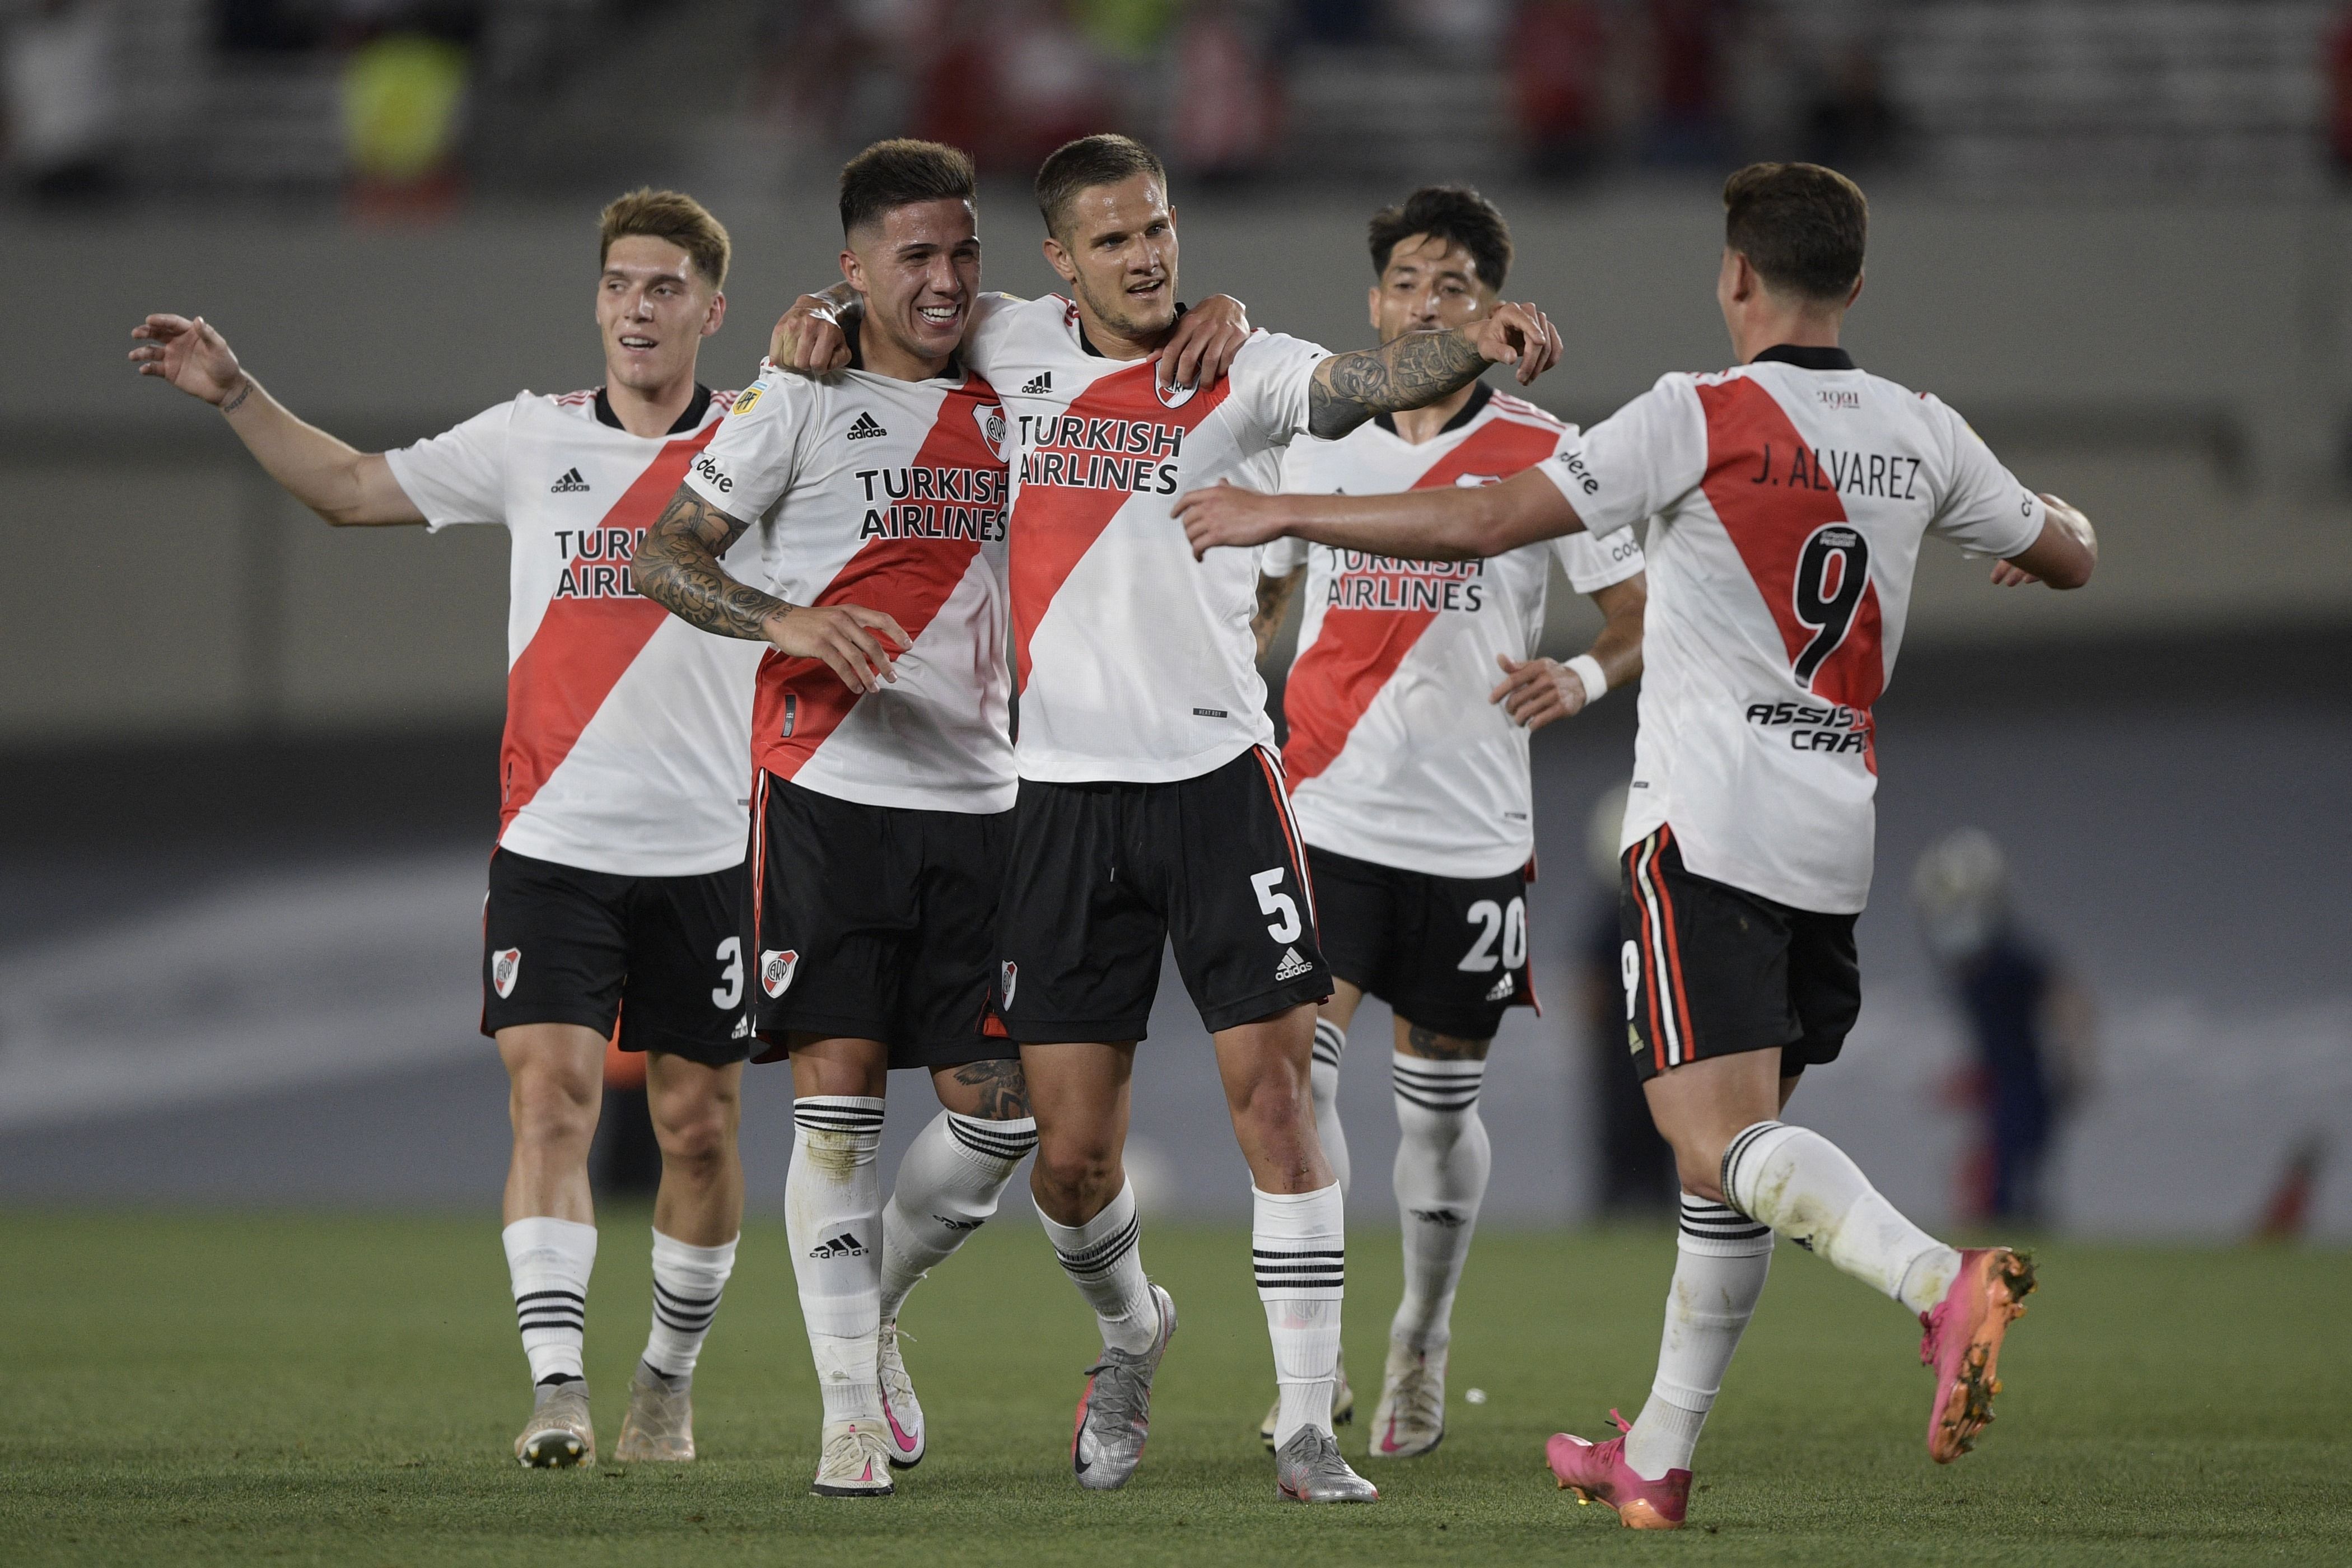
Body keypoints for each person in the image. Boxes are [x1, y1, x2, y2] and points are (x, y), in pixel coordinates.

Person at [1175, 161, 2098, 1528]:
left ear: (1734, 278)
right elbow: (2071, 548)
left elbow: (1496, 518)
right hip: (1834, 831)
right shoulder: (1922, 432)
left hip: (1703, 829)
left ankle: (1935, 1282)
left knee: (1719, 1144)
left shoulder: (1695, 415)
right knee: (1726, 1160)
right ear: (1855, 284)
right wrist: (2036, 543)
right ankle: (1657, 1459)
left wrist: (1285, 510)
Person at [767, 132, 1564, 1502]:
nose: (1149, 257)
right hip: (1061, 803)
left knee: (1279, 1103)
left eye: (1162, 230)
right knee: (1067, 1162)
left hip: (1219, 784)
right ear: (1060, 260)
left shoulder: (1235, 366)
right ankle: (1131, 1344)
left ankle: (1307, 1426)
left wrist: (1470, 341)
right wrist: (823, 317)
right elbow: (906, 303)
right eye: (1117, 238)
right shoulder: (1006, 343)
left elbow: (1366, 380)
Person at [128, 190, 762, 1469]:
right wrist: (238, 392)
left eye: (663, 288)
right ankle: (559, 1388)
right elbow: (355, 491)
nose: (637, 309)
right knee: (553, 1104)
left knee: (699, 1130)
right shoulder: (533, 442)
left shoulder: (764, 445)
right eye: (618, 285)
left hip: (706, 852)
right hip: (552, 845)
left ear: (711, 309)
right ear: (595, 301)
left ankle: (667, 1381)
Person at [628, 139, 1050, 1498]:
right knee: (837, 1124)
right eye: (913, 256)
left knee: (1003, 1117)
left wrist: (1211, 314)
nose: (943, 280)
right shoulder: (792, 402)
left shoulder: (1018, 392)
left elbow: (1138, 332)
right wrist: (787, 617)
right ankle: (845, 1423)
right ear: (855, 265)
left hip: (987, 800)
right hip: (828, 796)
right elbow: (665, 553)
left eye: (961, 253)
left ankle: (869, 1326)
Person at [1247, 185, 1648, 1460]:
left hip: (1472, 831)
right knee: (1296, 1074)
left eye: (1456, 285)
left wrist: (1584, 677)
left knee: (1435, 1106)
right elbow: (1260, 589)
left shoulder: (1543, 444)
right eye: (1410, 282)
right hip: (1327, 806)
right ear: (1376, 303)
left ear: (1492, 308)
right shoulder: (1312, 435)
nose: (1430, 302)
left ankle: (1421, 1332)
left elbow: (1641, 612)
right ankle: (1313, 1368)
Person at [1912, 827, 2092, 1225]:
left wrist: (2076, 1064)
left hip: (2024, 1083)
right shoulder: (1970, 960)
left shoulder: (2010, 956)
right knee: (1993, 1185)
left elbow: (2070, 999)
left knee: (2008, 1189)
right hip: (2000, 1083)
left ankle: (2015, 1265)